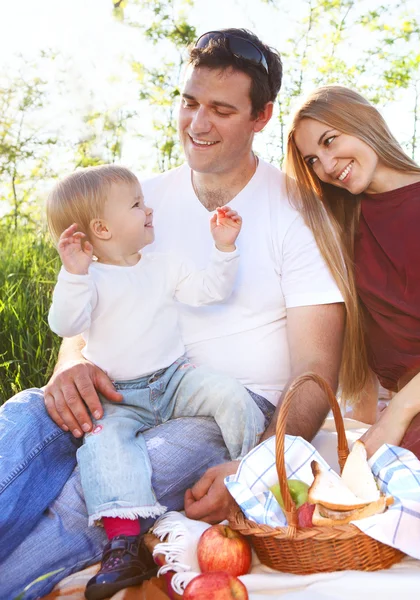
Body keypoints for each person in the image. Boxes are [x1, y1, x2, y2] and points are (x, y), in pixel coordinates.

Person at [0, 30, 348, 599]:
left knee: (92, 491)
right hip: (123, 388)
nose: (197, 124)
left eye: (221, 109)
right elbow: (89, 309)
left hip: (222, 406)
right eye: (189, 102)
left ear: (261, 117)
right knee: (21, 422)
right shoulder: (138, 200)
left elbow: (316, 371)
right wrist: (70, 371)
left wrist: (255, 469)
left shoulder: (299, 214)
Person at [46, 164, 266, 599]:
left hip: (173, 378)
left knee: (230, 395)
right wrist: (72, 273)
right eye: (136, 205)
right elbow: (65, 322)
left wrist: (224, 249)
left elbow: (209, 291)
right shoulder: (88, 280)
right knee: (106, 449)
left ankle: (255, 475)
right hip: (117, 396)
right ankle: (122, 545)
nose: (148, 210)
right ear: (103, 228)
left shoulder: (164, 266)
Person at [286, 84, 420, 560]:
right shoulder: (336, 237)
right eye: (311, 160)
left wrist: (398, 412)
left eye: (329, 141)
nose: (326, 166)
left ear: (363, 119)